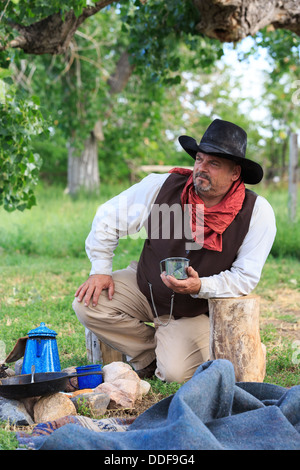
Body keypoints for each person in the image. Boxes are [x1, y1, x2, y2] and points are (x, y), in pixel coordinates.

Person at [72, 119, 276, 383]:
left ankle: (173, 349)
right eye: (200, 159)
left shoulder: (257, 212)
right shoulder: (161, 186)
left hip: (195, 309)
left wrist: (199, 285)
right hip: (145, 287)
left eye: (213, 164)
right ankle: (148, 355)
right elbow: (107, 217)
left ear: (235, 173)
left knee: (175, 374)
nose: (201, 169)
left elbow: (244, 277)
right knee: (88, 304)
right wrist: (100, 270)